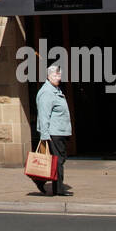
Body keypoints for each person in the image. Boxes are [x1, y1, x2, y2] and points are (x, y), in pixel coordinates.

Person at [36, 64, 72, 197]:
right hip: (54, 133)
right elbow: (44, 114)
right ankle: (59, 189)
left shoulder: (54, 89)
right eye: (56, 75)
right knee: (58, 161)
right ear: (49, 76)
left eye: (59, 75)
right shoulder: (47, 92)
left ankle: (41, 181)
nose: (59, 77)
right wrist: (45, 135)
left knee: (59, 159)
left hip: (59, 131)